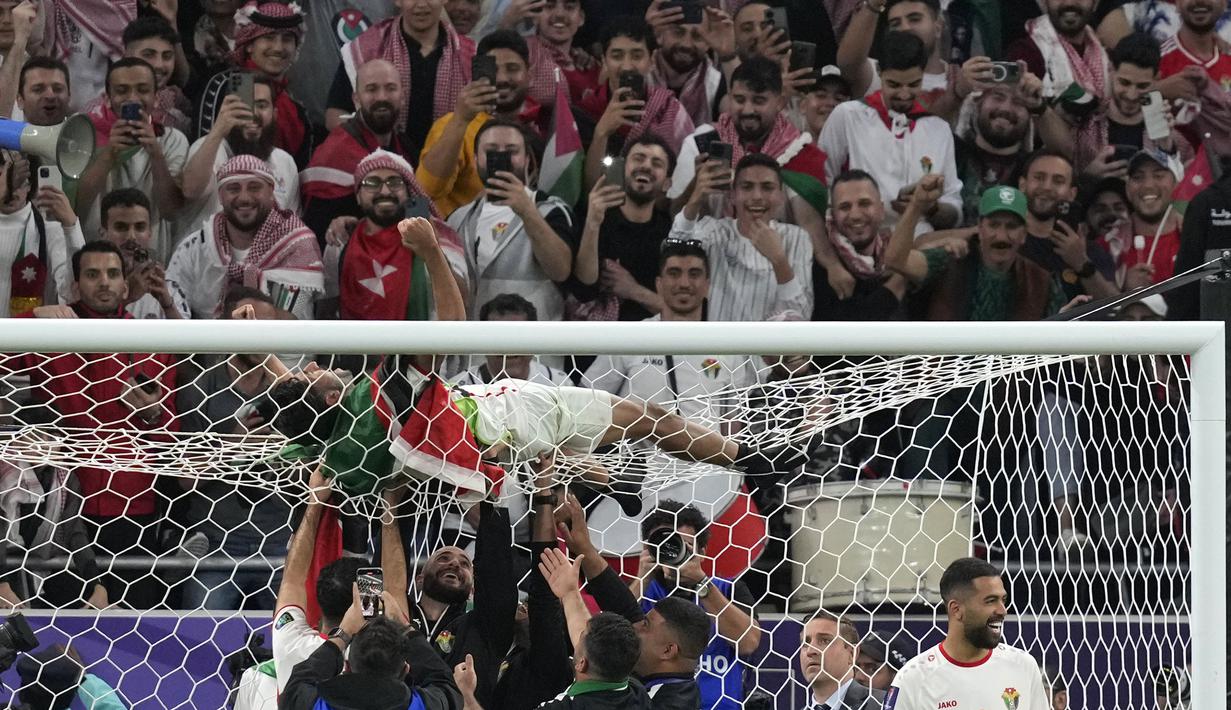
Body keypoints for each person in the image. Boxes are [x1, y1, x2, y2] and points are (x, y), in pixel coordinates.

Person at [4, 241, 177, 610]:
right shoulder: (48, 335)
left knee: (133, 621)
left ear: (126, 287)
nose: (104, 282)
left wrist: (151, 415)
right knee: (68, 623)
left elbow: (171, 435)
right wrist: (33, 318)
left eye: (113, 274)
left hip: (132, 505)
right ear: (75, 285)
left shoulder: (154, 340)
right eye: (93, 274)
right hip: (62, 508)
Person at [552, 494, 704, 710]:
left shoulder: (654, 704)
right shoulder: (666, 682)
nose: (635, 627)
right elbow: (625, 608)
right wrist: (585, 549)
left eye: (645, 626)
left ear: (668, 651)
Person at [582, 239, 759, 422]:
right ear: (659, 284)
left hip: (705, 451)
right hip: (638, 451)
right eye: (674, 273)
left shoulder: (726, 347)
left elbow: (732, 425)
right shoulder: (631, 337)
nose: (684, 283)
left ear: (707, 286)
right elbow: (587, 399)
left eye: (694, 274)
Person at [268, 465, 401, 696]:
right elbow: (397, 590)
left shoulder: (293, 645)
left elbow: (292, 580)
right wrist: (389, 511)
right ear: (371, 600)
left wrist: (314, 502)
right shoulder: (382, 656)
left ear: (318, 600)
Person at [821, 32, 962, 235]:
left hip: (921, 243)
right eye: (894, 85)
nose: (904, 94)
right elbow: (823, 183)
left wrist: (929, 207)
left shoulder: (938, 129)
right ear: (879, 71)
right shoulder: (848, 116)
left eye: (914, 84)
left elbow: (954, 208)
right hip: (859, 239)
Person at [629, 500, 762, 710]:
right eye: (664, 545)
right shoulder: (642, 592)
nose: (672, 552)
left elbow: (748, 642)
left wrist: (703, 585)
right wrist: (641, 579)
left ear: (702, 551)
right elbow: (611, 644)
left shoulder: (727, 589)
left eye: (682, 545)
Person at [448, 117, 575, 322]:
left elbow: (561, 271)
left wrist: (527, 211)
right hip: (475, 349)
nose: (501, 156)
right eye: (491, 150)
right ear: (475, 159)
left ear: (526, 159)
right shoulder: (458, 218)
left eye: (512, 150)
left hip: (535, 347)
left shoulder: (551, 210)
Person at [167, 155, 323, 320]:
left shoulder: (299, 246)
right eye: (234, 189)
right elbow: (175, 316)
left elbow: (287, 322)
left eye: (254, 188)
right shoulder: (195, 247)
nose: (244, 198)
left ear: (271, 191)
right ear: (220, 195)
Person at [887, 184, 1070, 320]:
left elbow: (1062, 325)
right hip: (947, 370)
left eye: (1011, 227)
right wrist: (916, 206)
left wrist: (1073, 316)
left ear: (1023, 234)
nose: (1001, 236)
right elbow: (895, 260)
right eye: (994, 225)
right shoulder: (950, 259)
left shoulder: (1040, 280)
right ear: (980, 228)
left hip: (1012, 372)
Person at [887, 557, 1049, 710]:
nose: (1002, 610)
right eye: (991, 601)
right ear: (956, 609)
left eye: (1003, 600)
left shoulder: (1024, 666)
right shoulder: (913, 679)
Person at [323, 149, 465, 321]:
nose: (384, 192)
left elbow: (463, 302)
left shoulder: (440, 237)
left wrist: (432, 250)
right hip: (354, 346)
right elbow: (326, 311)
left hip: (421, 346)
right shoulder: (340, 240)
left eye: (394, 182)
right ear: (358, 196)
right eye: (372, 183)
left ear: (409, 191)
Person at [672, 153, 814, 322]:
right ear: (732, 195)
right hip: (720, 346)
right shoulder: (715, 230)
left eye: (767, 187)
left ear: (781, 196)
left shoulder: (797, 238)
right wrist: (695, 199)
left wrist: (779, 260)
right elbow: (674, 249)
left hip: (771, 347)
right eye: (747, 187)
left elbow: (801, 316)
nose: (757, 197)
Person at [418, 30, 543, 218]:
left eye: (512, 68)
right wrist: (460, 120)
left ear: (529, 74)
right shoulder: (454, 125)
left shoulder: (541, 123)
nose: (501, 79)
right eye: (494, 70)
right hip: (461, 240)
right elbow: (425, 190)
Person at [75, 57, 189, 260]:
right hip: (96, 262)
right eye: (122, 91)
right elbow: (78, 205)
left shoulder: (172, 140)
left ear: (156, 97)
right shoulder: (84, 136)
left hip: (152, 261)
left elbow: (171, 210)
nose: (133, 98)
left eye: (142, 90)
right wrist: (109, 154)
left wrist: (155, 152)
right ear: (107, 98)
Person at [278, 586, 462, 710]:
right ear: (406, 670)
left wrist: (344, 633)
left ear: (347, 666)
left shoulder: (316, 704)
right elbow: (445, 685)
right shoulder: (418, 704)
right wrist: (406, 627)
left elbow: (297, 683)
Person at [330, 0, 476, 153]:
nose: (421, 4)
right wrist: (374, 152)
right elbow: (334, 114)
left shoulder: (470, 56)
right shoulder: (365, 49)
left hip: (451, 169)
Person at [301, 58, 418, 242]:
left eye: (390, 88)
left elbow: (418, 214)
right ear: (356, 99)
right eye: (371, 89)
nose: (381, 97)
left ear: (402, 97)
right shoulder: (334, 153)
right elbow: (318, 237)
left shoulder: (406, 148)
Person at [570, 134, 675, 321]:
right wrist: (593, 223)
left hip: (650, 343)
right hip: (597, 342)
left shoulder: (671, 234)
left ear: (667, 183)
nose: (646, 166)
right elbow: (583, 288)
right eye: (638, 158)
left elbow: (684, 312)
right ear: (622, 168)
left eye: (657, 163)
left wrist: (633, 290)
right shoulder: (596, 218)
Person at [197, 1, 314, 169]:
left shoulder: (296, 110)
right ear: (250, 45)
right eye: (269, 38)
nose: (278, 48)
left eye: (287, 39)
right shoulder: (234, 85)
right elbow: (205, 155)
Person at [582, 16, 695, 188]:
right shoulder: (585, 110)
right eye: (617, 56)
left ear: (651, 60)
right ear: (603, 61)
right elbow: (588, 188)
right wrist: (601, 132)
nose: (627, 66)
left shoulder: (668, 110)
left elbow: (683, 182)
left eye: (637, 55)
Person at [180, 74, 300, 238]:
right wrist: (219, 128)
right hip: (205, 259)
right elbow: (190, 191)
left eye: (262, 105)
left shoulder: (284, 162)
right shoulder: (208, 147)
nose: (253, 113)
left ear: (275, 114)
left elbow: (290, 226)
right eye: (245, 105)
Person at [810, 170, 936, 322]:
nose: (855, 215)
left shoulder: (895, 247)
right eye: (845, 207)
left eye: (864, 204)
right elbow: (858, 325)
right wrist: (902, 275)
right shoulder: (825, 265)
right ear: (833, 215)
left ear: (882, 210)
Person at [1015, 150, 1119, 301]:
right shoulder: (1007, 240)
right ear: (1022, 185)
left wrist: (1082, 264)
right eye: (1039, 178)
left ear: (1072, 193)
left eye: (1058, 181)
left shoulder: (1088, 249)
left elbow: (1114, 307)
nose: (1047, 187)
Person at [0, 152, 82, 317]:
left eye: (21, 181)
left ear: (31, 184)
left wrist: (71, 226)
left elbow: (73, 294)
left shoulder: (51, 231)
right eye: (7, 179)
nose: (13, 190)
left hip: (31, 338)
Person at [80, 16, 192, 135]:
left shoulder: (176, 100)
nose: (159, 64)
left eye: (167, 56)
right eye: (149, 55)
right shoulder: (93, 115)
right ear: (126, 55)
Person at [954, 78, 1044, 226]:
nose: (1006, 108)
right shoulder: (951, 151)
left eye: (1019, 102)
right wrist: (957, 91)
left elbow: (1066, 150)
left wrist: (1042, 107)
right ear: (978, 103)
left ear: (1030, 117)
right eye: (998, 97)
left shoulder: (1035, 170)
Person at [836, 0, 953, 106]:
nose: (905, 28)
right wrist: (873, 5)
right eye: (895, 24)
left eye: (915, 19)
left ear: (938, 27)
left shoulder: (959, 82)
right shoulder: (878, 72)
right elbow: (849, 64)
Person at [97, 187, 188, 320]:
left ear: (149, 233)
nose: (131, 236)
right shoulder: (91, 282)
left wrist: (167, 305)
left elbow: (188, 339)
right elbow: (83, 335)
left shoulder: (168, 286)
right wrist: (127, 298)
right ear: (103, 233)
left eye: (139, 227)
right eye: (121, 227)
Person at [1098, 148, 1184, 288]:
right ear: (1127, 189)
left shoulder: (1196, 238)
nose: (1148, 185)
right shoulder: (1106, 245)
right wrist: (1123, 290)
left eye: (1158, 176)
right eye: (1138, 177)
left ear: (1175, 184)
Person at [34, 0, 137, 114]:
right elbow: (36, 46)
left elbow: (130, 58)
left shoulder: (123, 5)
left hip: (104, 107)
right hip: (55, 102)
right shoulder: (53, 3)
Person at [647, 2, 737, 128]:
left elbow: (739, 117)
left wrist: (728, 56)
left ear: (708, 43)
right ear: (659, 36)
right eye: (678, 32)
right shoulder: (641, 74)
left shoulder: (715, 83)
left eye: (697, 36)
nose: (686, 44)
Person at [453, 294, 571, 386]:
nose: (508, 347)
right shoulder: (460, 388)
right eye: (499, 336)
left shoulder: (559, 384)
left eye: (517, 336)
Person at [800, 612, 885, 710]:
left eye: (824, 641)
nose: (810, 651)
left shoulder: (884, 705)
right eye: (805, 643)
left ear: (851, 653)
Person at [524, 0, 601, 109]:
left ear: (581, 17)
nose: (559, 14)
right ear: (535, 16)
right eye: (549, 6)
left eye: (569, 7)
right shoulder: (523, 56)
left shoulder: (591, 66)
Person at [792, 66, 851, 145]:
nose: (830, 103)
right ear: (803, 105)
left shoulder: (858, 152)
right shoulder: (783, 150)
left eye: (838, 99)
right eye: (821, 95)